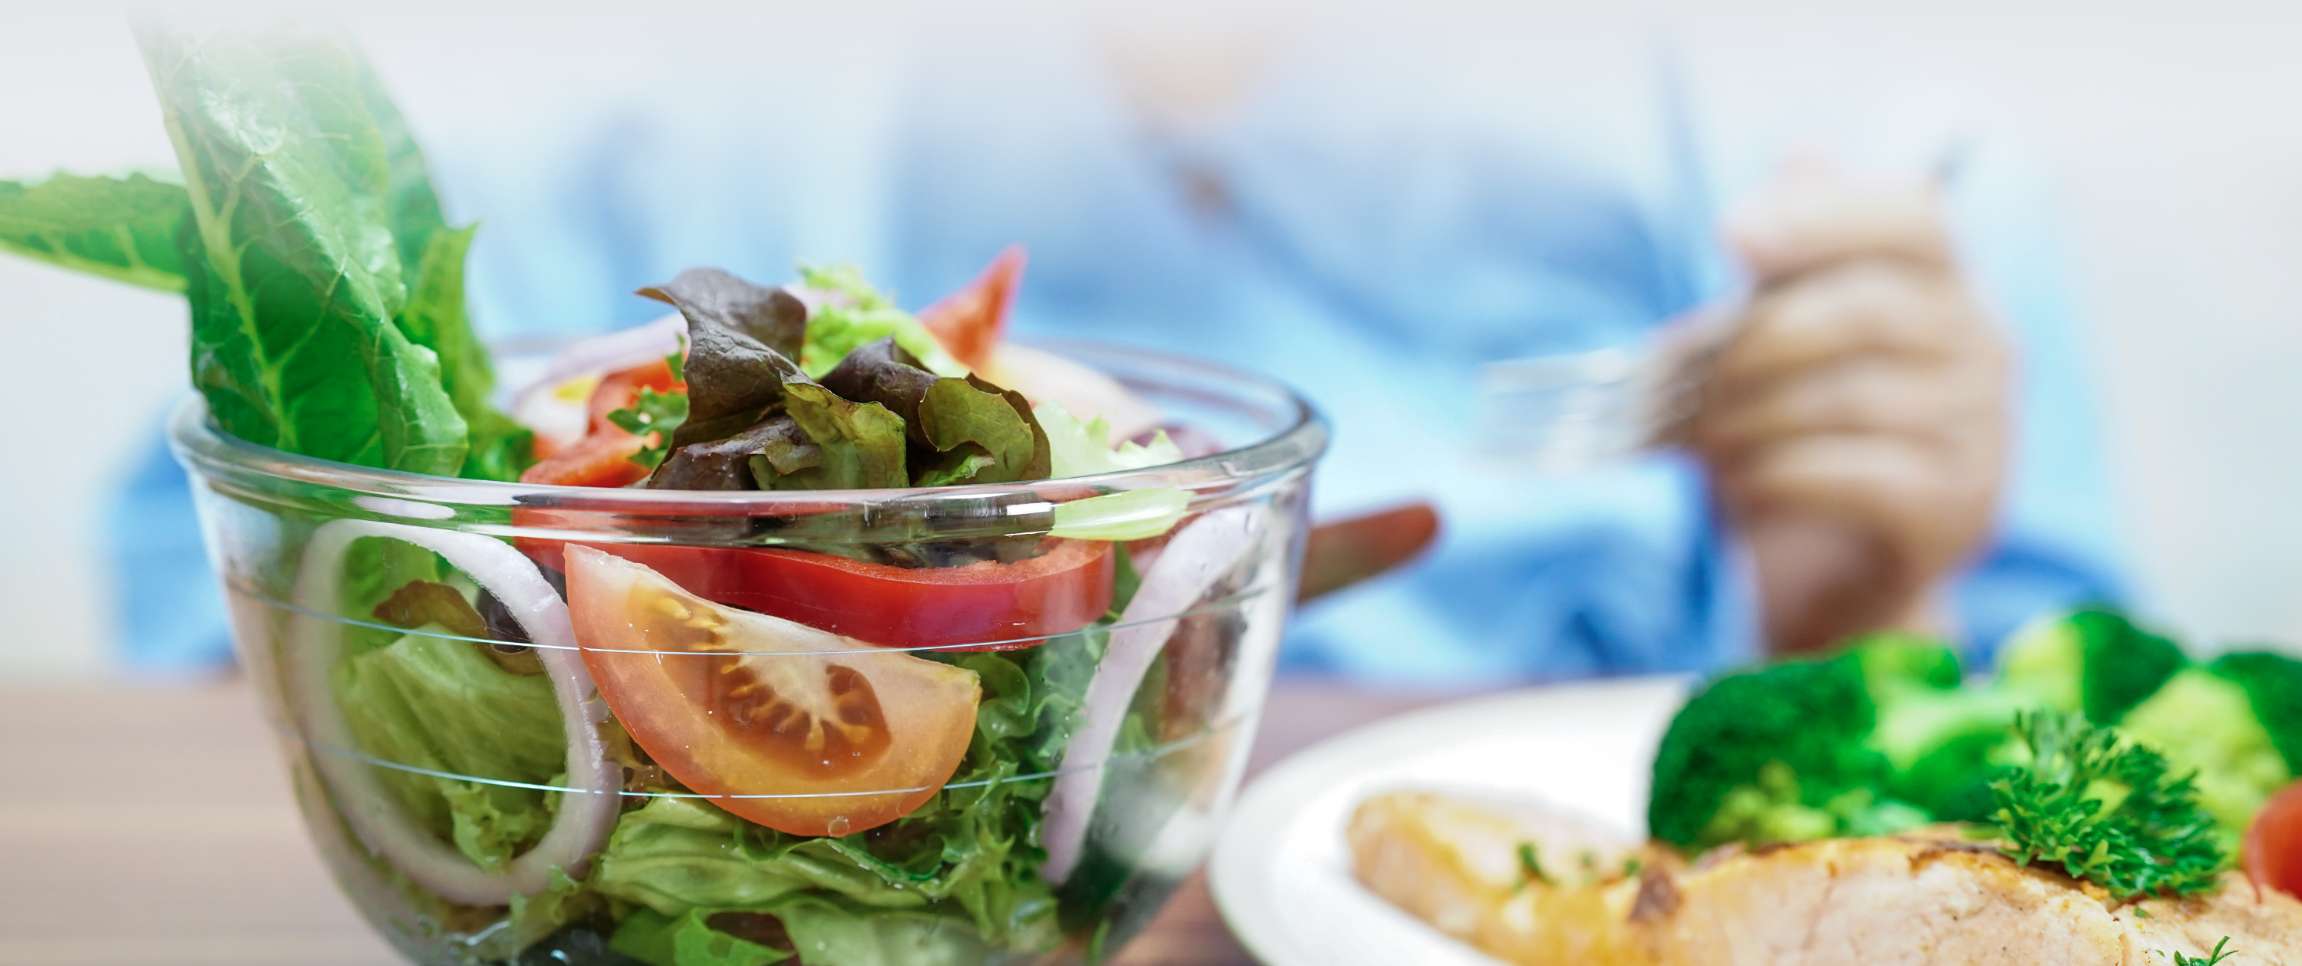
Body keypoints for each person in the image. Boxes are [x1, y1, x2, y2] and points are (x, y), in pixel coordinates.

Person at [110, 14, 2122, 681]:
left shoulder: (1826, 117)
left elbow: (2078, 707)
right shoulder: (633, 92)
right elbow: (245, 586)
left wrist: (1856, 597)